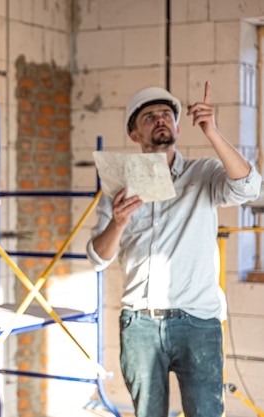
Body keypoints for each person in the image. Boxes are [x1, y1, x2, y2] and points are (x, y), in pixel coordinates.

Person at [86, 82, 261, 417]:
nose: (160, 119)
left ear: (178, 127)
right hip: (139, 325)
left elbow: (249, 187)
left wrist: (212, 132)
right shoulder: (119, 188)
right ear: (135, 135)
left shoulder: (204, 173)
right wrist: (118, 222)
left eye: (166, 114)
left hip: (198, 323)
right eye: (149, 117)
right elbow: (97, 257)